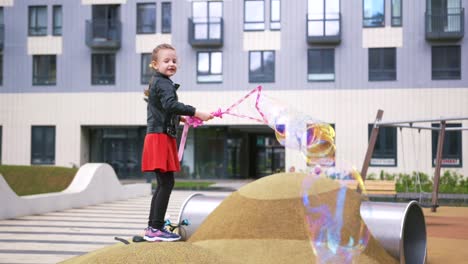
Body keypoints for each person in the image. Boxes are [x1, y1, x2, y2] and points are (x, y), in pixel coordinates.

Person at [141, 43, 213, 242]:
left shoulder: (158, 82)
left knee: (163, 183)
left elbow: (162, 110)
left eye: (174, 60)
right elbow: (171, 105)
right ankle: (155, 228)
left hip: (158, 135)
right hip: (160, 137)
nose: (171, 63)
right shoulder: (163, 83)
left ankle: (153, 227)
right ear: (155, 64)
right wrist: (196, 112)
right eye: (166, 61)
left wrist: (181, 119)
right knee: (166, 183)